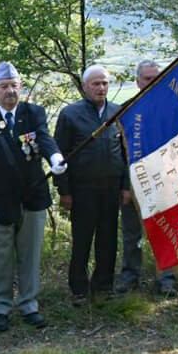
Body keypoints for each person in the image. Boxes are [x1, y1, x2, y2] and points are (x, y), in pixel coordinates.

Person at [0, 62, 65, 331]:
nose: (10, 91)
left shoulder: (33, 113)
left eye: (14, 85)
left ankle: (29, 305)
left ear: (20, 86)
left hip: (33, 197)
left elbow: (44, 138)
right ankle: (1, 308)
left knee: (30, 254)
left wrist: (54, 156)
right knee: (0, 258)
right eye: (4, 86)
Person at [54, 65, 129, 304]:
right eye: (96, 83)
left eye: (105, 83)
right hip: (82, 190)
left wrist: (125, 186)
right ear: (85, 86)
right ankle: (79, 288)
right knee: (82, 240)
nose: (101, 88)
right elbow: (59, 155)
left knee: (108, 240)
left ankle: (104, 285)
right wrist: (64, 190)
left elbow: (127, 155)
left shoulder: (118, 113)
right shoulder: (70, 114)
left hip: (111, 189)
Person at [117, 60, 178, 296]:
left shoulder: (174, 110)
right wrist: (124, 186)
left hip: (165, 181)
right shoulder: (126, 111)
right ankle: (130, 275)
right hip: (134, 182)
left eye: (156, 78)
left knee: (166, 230)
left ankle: (167, 278)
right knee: (132, 233)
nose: (151, 83)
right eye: (147, 79)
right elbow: (120, 155)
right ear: (138, 81)